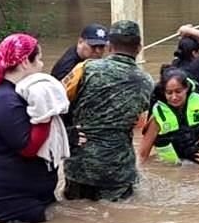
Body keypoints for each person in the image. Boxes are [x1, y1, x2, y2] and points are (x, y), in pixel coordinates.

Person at [61, 20, 154, 201]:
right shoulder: (147, 82)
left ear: (109, 45)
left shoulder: (85, 68)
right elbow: (139, 120)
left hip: (80, 165)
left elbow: (57, 101)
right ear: (139, 48)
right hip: (118, 169)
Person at [0, 33, 59, 223]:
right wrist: (45, 114)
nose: (41, 65)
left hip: (31, 194)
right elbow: (28, 148)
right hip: (13, 200)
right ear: (24, 62)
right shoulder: (4, 99)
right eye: (38, 59)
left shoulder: (18, 94)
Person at [138, 68, 199, 164]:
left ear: (186, 88)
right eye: (169, 93)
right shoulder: (158, 116)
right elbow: (143, 155)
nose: (174, 97)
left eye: (178, 91)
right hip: (172, 170)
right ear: (164, 93)